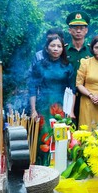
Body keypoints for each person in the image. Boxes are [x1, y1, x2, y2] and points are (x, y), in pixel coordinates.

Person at [29, 35, 75, 165]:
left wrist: (70, 111)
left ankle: (60, 167)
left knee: (61, 136)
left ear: (63, 49)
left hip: (61, 107)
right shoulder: (39, 66)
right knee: (44, 137)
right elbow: (32, 88)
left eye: (59, 46)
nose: (56, 49)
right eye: (53, 46)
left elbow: (73, 90)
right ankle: (42, 167)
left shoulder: (67, 66)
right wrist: (33, 110)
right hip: (43, 106)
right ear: (47, 48)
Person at [76, 35, 98, 133]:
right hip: (87, 101)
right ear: (92, 48)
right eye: (96, 48)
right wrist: (90, 95)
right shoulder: (85, 63)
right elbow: (79, 84)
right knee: (87, 132)